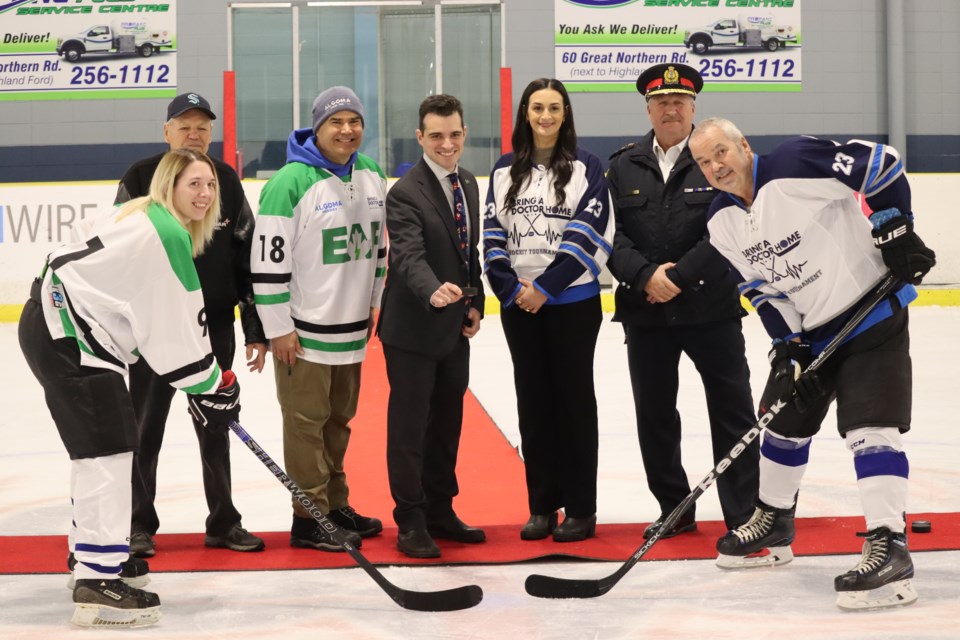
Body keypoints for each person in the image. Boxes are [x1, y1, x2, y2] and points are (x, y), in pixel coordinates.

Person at [688, 117, 936, 610]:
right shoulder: (720, 219)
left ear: (744, 144)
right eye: (704, 161)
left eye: (722, 152)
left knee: (870, 430)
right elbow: (758, 289)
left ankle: (890, 545)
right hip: (814, 332)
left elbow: (882, 166)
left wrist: (894, 224)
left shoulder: (792, 163)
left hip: (871, 313)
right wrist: (788, 348)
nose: (716, 166)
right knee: (780, 423)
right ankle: (774, 522)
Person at [18, 148, 243, 628]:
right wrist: (210, 385)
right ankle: (98, 582)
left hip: (53, 320)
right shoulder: (166, 236)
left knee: (98, 452)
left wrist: (202, 383)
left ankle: (91, 557)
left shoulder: (138, 212)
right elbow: (176, 326)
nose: (204, 194)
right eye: (193, 185)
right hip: (69, 334)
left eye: (209, 185)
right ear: (169, 186)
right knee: (109, 453)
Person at [606, 64, 759, 540]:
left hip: (710, 308)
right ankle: (673, 507)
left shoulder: (714, 157)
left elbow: (731, 222)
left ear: (694, 107)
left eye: (680, 101)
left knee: (732, 410)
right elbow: (608, 234)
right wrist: (645, 275)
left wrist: (679, 276)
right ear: (648, 108)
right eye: (661, 102)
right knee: (654, 414)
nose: (670, 109)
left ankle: (743, 513)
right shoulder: (622, 164)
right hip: (644, 311)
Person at [115, 92, 267, 559]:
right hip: (154, 329)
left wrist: (255, 329)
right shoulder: (141, 178)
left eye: (202, 126)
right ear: (167, 133)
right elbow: (120, 254)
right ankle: (138, 525)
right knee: (145, 428)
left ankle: (223, 521)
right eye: (184, 126)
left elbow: (246, 258)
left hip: (213, 325)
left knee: (216, 425)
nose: (194, 133)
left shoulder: (225, 180)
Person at [251, 86, 386, 552]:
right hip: (303, 333)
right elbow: (267, 264)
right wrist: (278, 328)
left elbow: (379, 249)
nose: (347, 130)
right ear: (318, 126)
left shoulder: (370, 172)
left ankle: (334, 503)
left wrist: (374, 300)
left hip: (351, 328)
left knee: (338, 420)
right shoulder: (289, 182)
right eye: (336, 122)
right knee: (305, 423)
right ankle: (309, 519)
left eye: (355, 121)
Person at [484, 78, 614, 542]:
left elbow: (592, 231)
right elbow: (492, 237)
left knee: (574, 404)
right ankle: (542, 506)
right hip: (521, 308)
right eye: (537, 107)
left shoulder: (587, 167)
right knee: (533, 405)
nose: (545, 116)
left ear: (565, 114)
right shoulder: (503, 170)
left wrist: (546, 287)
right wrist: (513, 289)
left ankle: (581, 508)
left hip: (573, 304)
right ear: (524, 113)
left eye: (554, 108)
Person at [377, 94, 486, 558]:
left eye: (455, 134)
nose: (447, 144)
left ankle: (441, 509)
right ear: (420, 137)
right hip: (412, 332)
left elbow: (468, 252)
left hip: (452, 332)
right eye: (437, 135)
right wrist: (433, 289)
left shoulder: (468, 183)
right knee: (410, 430)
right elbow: (407, 255)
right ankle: (411, 519)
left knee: (447, 425)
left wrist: (473, 300)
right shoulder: (404, 192)